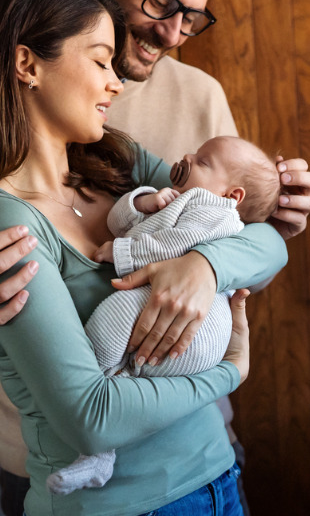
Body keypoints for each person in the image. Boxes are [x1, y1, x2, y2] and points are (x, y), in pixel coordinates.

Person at [0, 0, 310, 513]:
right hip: (77, 477)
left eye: (191, 17)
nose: (173, 31)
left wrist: (205, 264)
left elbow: (254, 237)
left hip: (209, 462)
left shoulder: (117, 149)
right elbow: (86, 413)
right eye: (163, 0)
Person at [48, 135, 280, 496]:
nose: (187, 156)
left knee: (112, 317)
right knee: (120, 350)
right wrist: (144, 201)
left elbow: (174, 245)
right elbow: (118, 220)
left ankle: (99, 441)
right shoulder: (179, 197)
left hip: (199, 328)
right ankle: (101, 450)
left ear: (233, 195)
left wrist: (122, 253)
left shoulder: (216, 211)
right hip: (174, 314)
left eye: (202, 161)